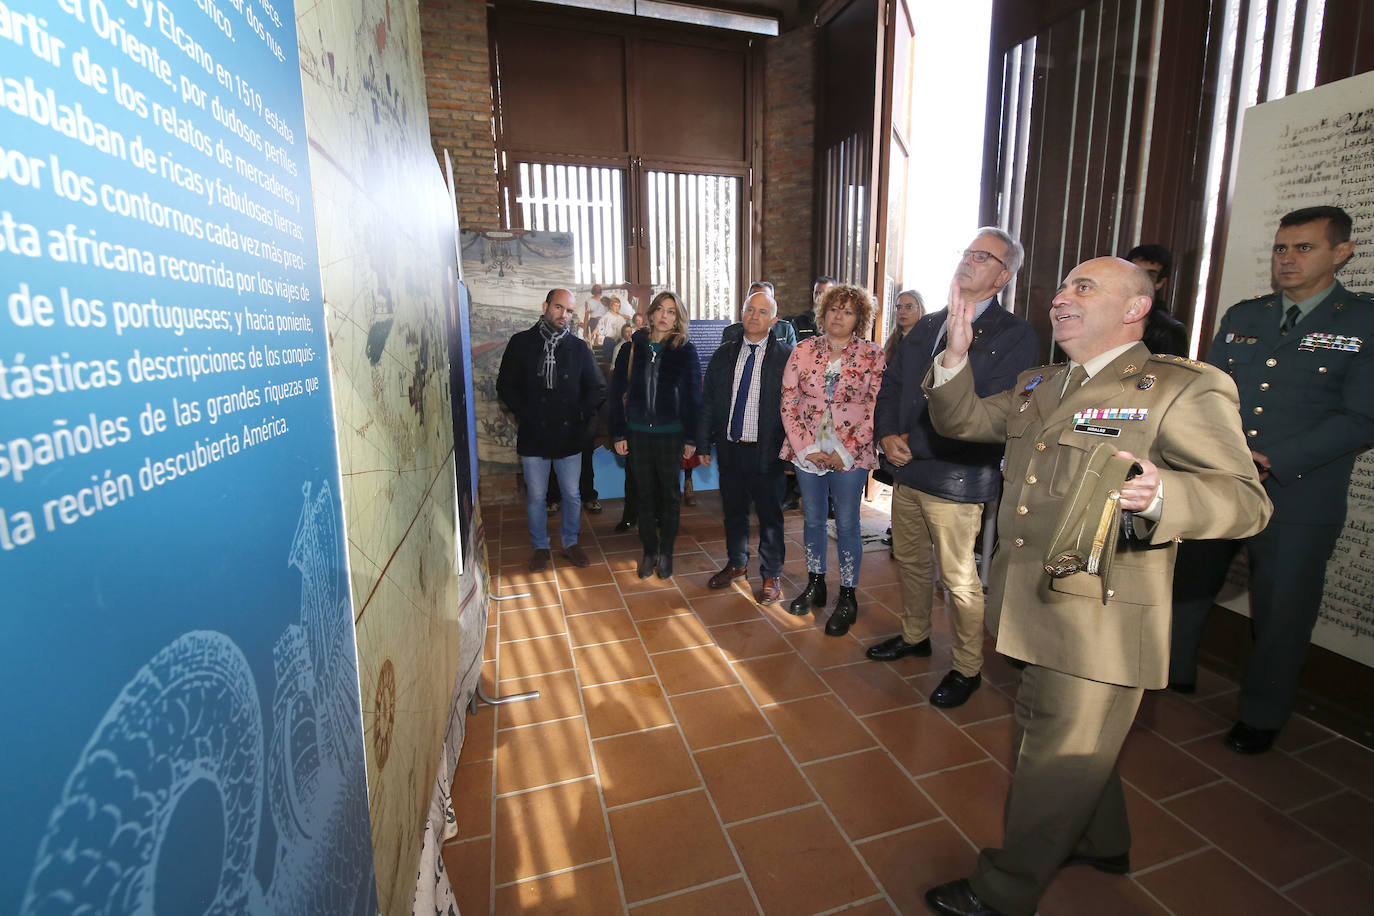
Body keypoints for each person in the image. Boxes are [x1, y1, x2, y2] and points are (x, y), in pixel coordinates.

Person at [920, 257, 1270, 916]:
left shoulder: (1178, 388)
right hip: (1035, 600)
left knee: (1053, 758)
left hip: (1104, 616)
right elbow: (961, 420)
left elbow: (1246, 501)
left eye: (1084, 286)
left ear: (1136, 307)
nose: (1060, 298)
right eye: (1061, 287)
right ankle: (1102, 841)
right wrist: (954, 356)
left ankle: (1004, 890)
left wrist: (1167, 493)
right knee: (1050, 734)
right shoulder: (1039, 384)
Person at [1170, 205, 1374, 754]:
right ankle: (1172, 670)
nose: (1287, 258)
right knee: (1188, 582)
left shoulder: (1363, 322)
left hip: (1298, 495)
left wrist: (1270, 458)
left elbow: (1362, 417)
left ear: (1341, 252)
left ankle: (1262, 714)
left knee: (1282, 612)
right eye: (1282, 248)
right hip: (1221, 482)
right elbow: (1206, 393)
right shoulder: (1246, 315)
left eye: (1304, 248)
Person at [869, 230, 1040, 709]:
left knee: (960, 580)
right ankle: (915, 635)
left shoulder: (1015, 334)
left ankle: (967, 667)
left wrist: (913, 444)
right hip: (909, 470)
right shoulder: (929, 326)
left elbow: (989, 413)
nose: (968, 261)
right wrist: (887, 436)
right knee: (912, 562)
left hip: (958, 475)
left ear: (1003, 275)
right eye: (967, 252)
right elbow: (892, 386)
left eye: (982, 257)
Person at [780, 283, 885, 636]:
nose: (839, 316)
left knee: (847, 524)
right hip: (806, 451)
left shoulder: (873, 355)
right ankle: (816, 583)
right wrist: (806, 447)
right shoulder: (802, 350)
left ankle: (848, 595)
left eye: (848, 311)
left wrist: (845, 451)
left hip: (849, 456)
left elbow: (873, 406)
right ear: (824, 312)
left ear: (860, 319)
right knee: (811, 520)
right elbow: (789, 400)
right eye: (834, 309)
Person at [496, 288, 607, 571]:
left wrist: (580, 414)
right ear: (546, 306)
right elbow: (505, 386)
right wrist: (526, 412)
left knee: (571, 494)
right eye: (559, 308)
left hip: (569, 435)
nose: (564, 315)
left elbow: (597, 388)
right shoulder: (521, 343)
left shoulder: (579, 347)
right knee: (536, 495)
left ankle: (570, 543)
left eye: (569, 311)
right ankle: (541, 547)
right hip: (534, 433)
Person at [698, 290, 793, 604]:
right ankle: (737, 564)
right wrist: (702, 443)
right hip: (731, 449)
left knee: (770, 517)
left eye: (762, 312)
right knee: (733, 513)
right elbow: (708, 402)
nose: (754, 316)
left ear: (774, 320)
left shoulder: (786, 357)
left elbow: (795, 407)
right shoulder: (724, 354)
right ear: (742, 314)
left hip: (767, 451)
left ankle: (771, 574)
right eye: (750, 310)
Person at [610, 292, 702, 579]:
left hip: (671, 435)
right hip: (637, 434)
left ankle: (667, 552)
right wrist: (618, 433)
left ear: (678, 318)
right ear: (650, 314)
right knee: (645, 495)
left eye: (672, 312)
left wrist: (691, 438)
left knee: (670, 496)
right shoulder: (631, 349)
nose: (665, 316)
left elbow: (693, 398)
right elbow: (615, 396)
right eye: (660, 310)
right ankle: (649, 551)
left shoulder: (685, 350)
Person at [1125, 243, 1188, 356]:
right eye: (1135, 273)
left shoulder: (1168, 330)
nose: (1140, 280)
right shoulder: (1105, 312)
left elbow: (1172, 373)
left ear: (1159, 283)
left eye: (1149, 275)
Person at [722, 281, 798, 347]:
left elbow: (793, 359)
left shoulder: (785, 329)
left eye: (765, 298)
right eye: (754, 297)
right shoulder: (731, 332)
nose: (755, 316)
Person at [882, 288, 926, 363]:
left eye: (909, 307)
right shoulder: (891, 341)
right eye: (899, 307)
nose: (902, 312)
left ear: (921, 310)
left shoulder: (928, 339)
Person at [789, 275, 834, 343]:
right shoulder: (800, 321)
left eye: (824, 293)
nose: (819, 297)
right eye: (817, 293)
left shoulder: (839, 320)